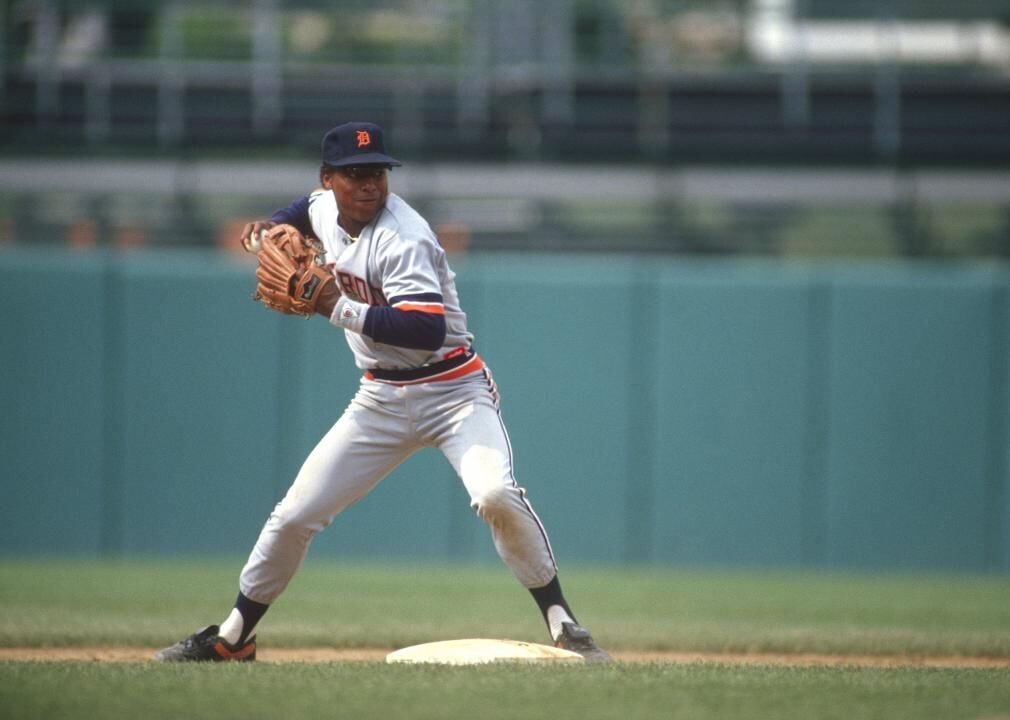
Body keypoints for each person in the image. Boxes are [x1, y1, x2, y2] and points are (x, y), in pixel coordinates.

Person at [154, 121, 610, 664]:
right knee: (295, 516)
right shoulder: (325, 207)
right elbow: (302, 211)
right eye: (355, 175)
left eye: (378, 173)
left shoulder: (405, 235)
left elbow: (425, 329)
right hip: (380, 399)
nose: (370, 184)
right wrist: (274, 226)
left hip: (453, 390)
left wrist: (335, 306)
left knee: (495, 494)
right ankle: (232, 639)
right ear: (330, 180)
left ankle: (563, 621)